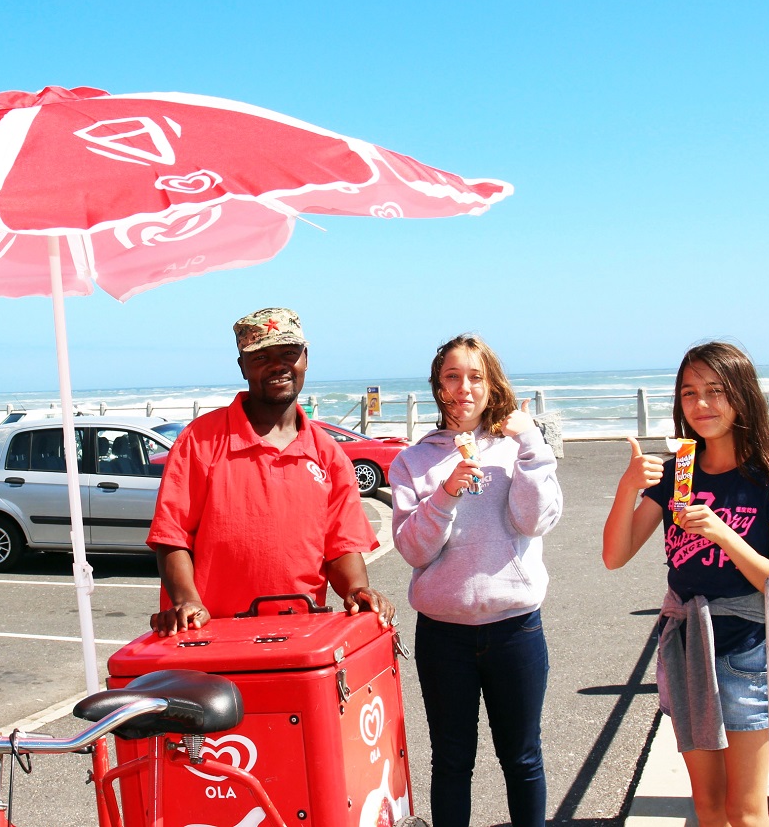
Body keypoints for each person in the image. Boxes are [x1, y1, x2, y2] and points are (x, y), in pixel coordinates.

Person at [602, 341, 769, 827]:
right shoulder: (678, 475)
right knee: (709, 806)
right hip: (688, 642)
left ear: (741, 396)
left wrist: (721, 532)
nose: (702, 405)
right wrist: (630, 486)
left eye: (715, 391)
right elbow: (614, 556)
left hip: (747, 647)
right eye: (689, 393)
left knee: (747, 809)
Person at [389, 334, 563, 827]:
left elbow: (535, 521)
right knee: (450, 762)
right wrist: (444, 494)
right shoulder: (413, 461)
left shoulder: (516, 447)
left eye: (475, 377)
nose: (463, 388)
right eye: (451, 376)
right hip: (444, 636)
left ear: (491, 386)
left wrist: (531, 443)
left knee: (523, 758)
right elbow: (413, 550)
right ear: (437, 386)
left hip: (516, 628)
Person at [146, 307, 394, 635]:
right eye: (261, 357)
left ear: (305, 358)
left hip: (300, 638)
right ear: (242, 367)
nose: (278, 365)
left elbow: (341, 546)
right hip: (210, 637)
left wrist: (356, 590)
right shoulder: (200, 439)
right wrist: (187, 601)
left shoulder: (328, 452)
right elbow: (172, 537)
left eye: (289, 353)